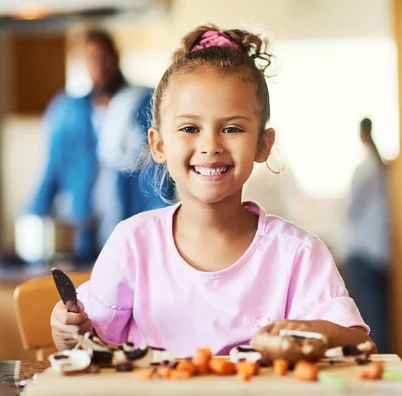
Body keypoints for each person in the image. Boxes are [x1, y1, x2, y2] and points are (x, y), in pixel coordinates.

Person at [50, 24, 374, 356]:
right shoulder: (132, 243)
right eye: (190, 128)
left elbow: (361, 342)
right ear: (159, 144)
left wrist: (311, 331)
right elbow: (86, 341)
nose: (210, 145)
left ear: (263, 145)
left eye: (231, 128)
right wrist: (67, 329)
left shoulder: (297, 254)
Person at [27, 28, 170, 262]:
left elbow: (161, 178)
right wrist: (32, 221)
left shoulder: (144, 105)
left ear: (116, 57)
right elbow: (50, 172)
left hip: (132, 228)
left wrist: (159, 232)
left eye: (105, 57)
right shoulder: (67, 112)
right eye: (92, 59)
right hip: (82, 232)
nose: (100, 65)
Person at [344, 117, 391, 353]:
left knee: (368, 322)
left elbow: (350, 208)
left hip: (363, 253)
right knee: (378, 317)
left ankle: (377, 373)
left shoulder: (365, 168)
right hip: (380, 253)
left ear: (362, 135)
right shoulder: (381, 167)